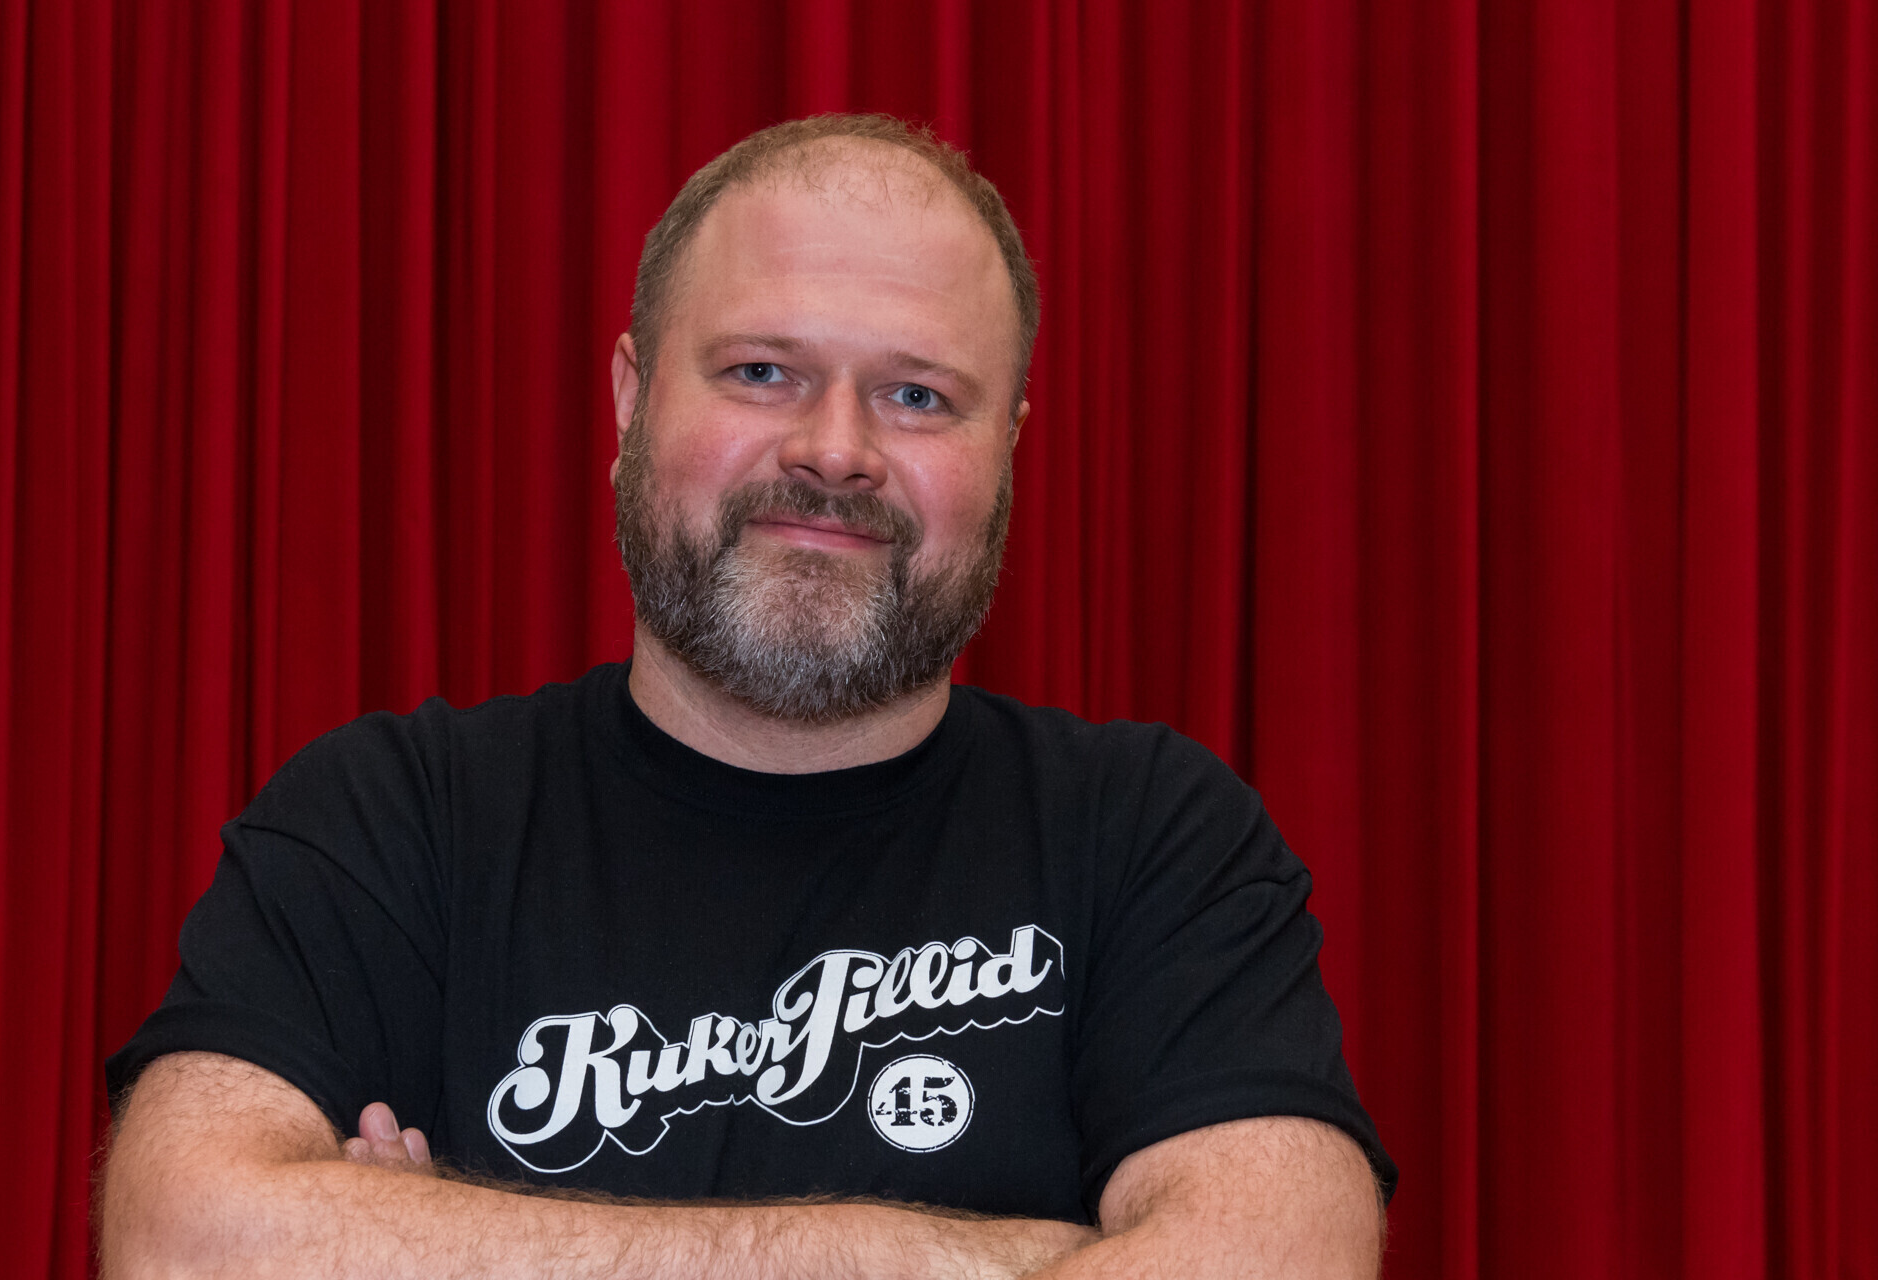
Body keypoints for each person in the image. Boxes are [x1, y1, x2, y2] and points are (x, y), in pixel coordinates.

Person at [100, 113, 1394, 1279]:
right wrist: (961, 1256)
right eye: (762, 372)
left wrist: (442, 1243)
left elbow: (1287, 1257)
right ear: (632, 398)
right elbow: (184, 1245)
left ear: (1006, 447)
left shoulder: (1154, 839)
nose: (835, 450)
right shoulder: (391, 818)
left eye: (917, 396)